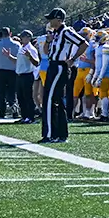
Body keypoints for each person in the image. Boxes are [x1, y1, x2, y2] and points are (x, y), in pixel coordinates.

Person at [38, 8, 88, 144]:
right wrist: (48, 41)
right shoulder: (55, 33)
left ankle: (49, 134)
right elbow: (46, 52)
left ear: (59, 19)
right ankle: (60, 133)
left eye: (52, 19)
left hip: (60, 67)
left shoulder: (66, 32)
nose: (49, 21)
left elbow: (83, 44)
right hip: (53, 65)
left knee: (49, 99)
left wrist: (72, 59)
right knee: (56, 100)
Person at [13, 29, 39, 125]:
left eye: (23, 37)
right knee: (20, 97)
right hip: (19, 75)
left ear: (28, 38)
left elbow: (36, 62)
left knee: (27, 97)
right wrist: (9, 56)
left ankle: (30, 117)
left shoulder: (31, 49)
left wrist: (29, 56)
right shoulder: (22, 47)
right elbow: (18, 61)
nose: (21, 38)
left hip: (27, 75)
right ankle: (24, 116)